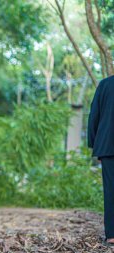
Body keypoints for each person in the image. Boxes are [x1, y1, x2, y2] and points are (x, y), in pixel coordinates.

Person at [88, 75, 114, 246]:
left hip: (107, 146)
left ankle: (112, 235)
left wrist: (94, 144)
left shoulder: (105, 85)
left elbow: (94, 116)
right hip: (107, 147)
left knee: (111, 190)